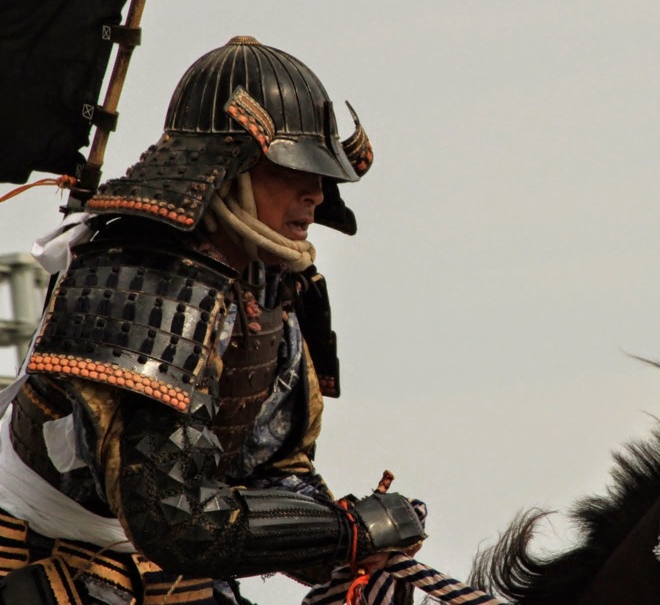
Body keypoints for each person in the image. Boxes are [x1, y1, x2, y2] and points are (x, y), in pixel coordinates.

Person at [0, 37, 426, 604]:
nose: (317, 194)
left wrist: (347, 555)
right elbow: (175, 520)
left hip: (166, 573)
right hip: (41, 560)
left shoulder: (273, 286)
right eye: (294, 169)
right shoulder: (141, 277)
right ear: (231, 169)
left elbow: (275, 469)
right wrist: (343, 532)